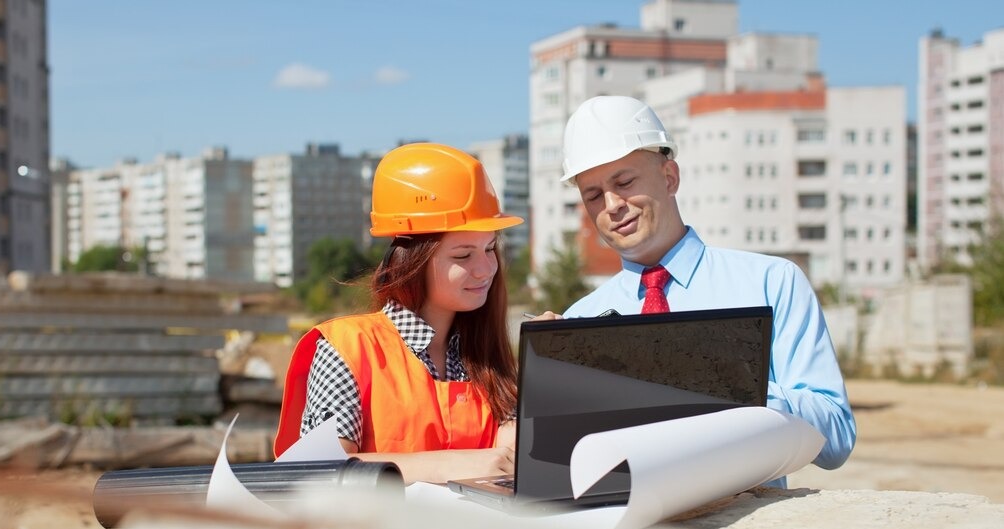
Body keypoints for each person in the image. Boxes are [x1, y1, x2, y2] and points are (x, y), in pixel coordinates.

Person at [555, 95, 855, 485]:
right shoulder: (581, 322)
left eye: (624, 182)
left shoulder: (771, 282)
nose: (612, 205)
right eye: (593, 195)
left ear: (669, 177)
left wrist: (723, 383)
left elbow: (836, 442)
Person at [274, 142, 522, 484]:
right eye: (463, 256)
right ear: (414, 262)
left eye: (490, 248)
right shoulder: (347, 349)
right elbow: (320, 470)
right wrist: (451, 466)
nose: (485, 269)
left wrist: (540, 376)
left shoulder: (485, 353)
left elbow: (509, 461)